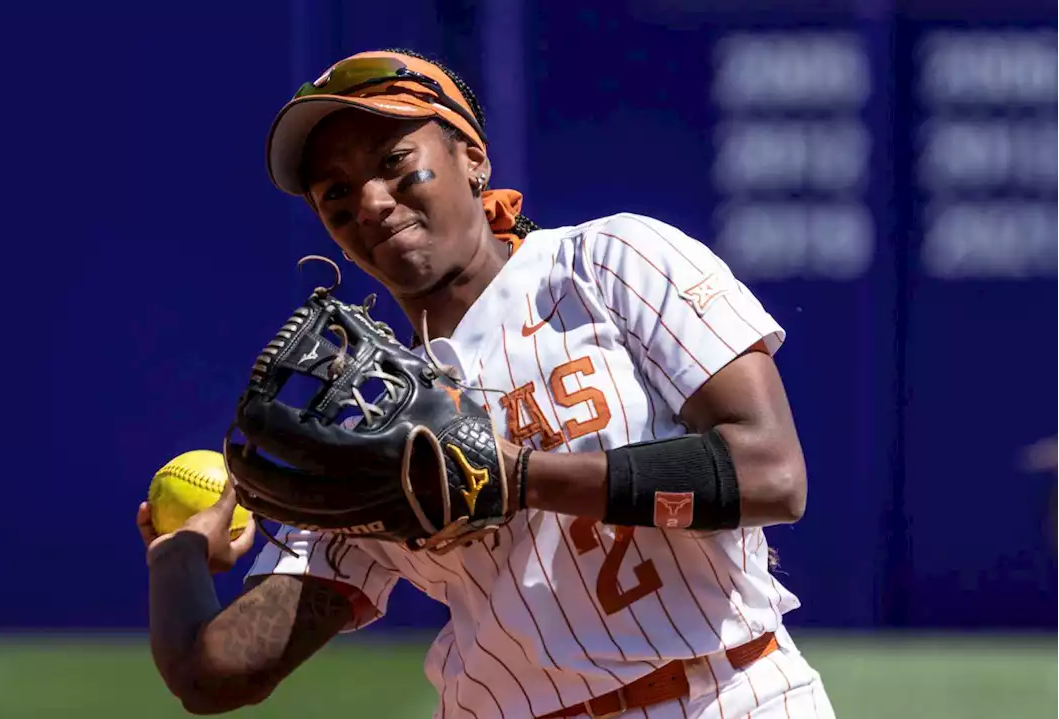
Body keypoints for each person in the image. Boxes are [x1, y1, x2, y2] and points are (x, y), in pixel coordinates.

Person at [136, 48, 837, 718]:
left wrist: (521, 476)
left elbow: (773, 475)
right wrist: (176, 554)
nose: (371, 203)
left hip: (733, 692)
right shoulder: (363, 428)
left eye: (394, 162)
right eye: (337, 192)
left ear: (471, 158)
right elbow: (215, 673)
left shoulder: (607, 264)